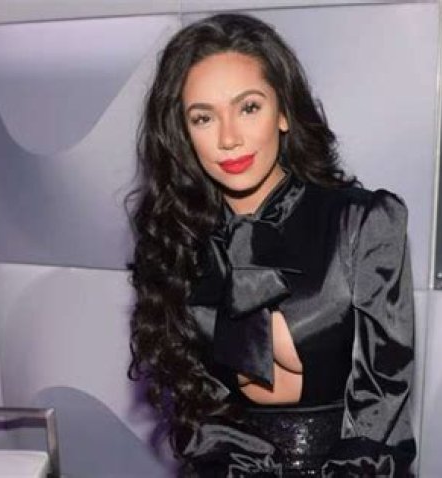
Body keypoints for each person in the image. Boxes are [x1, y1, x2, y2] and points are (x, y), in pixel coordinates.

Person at [127, 13, 415, 477]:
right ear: (183, 132)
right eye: (203, 117)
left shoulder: (361, 223)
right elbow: (199, 418)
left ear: (283, 112)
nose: (228, 138)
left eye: (248, 108)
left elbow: (382, 408)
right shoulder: (173, 241)